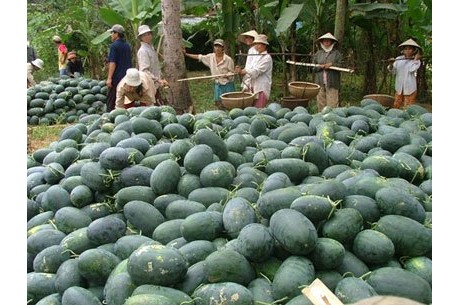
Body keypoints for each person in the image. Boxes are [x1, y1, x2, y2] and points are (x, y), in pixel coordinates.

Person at [184, 39, 235, 108]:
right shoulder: (210, 57)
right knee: (219, 103)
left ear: (223, 48)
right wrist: (186, 54)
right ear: (214, 47)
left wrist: (227, 75)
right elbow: (199, 57)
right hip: (218, 83)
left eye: (219, 46)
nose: (217, 48)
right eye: (216, 46)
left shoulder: (228, 59)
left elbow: (232, 72)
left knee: (230, 103)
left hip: (227, 84)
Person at [235, 34, 272, 108]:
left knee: (259, 111)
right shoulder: (255, 55)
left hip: (261, 87)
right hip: (252, 85)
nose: (257, 46)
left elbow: (256, 71)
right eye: (256, 44)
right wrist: (240, 71)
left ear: (264, 45)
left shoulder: (267, 58)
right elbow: (249, 67)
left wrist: (244, 71)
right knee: (250, 109)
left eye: (259, 44)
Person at [136, 24, 169, 104]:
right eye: (144, 35)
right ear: (141, 38)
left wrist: (160, 78)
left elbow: (155, 66)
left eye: (148, 34)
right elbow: (144, 70)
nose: (147, 37)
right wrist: (157, 79)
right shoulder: (143, 51)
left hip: (155, 84)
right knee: (150, 106)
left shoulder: (151, 48)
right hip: (149, 84)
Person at [387, 38, 423, 109]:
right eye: (406, 49)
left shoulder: (417, 61)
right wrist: (391, 64)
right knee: (396, 106)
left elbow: (411, 70)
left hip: (410, 87)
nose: (407, 51)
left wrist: (415, 59)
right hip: (399, 86)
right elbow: (393, 71)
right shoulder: (398, 59)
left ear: (413, 51)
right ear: (403, 50)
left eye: (410, 49)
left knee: (408, 108)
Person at [312, 32, 343, 112]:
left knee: (332, 103)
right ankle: (321, 118)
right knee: (321, 102)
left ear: (332, 42)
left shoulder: (337, 54)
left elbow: (341, 65)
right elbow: (313, 67)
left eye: (328, 41)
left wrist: (332, 65)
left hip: (332, 81)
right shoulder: (318, 54)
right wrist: (319, 66)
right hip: (320, 81)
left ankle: (332, 118)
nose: (326, 42)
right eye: (324, 41)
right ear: (322, 42)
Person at [106, 24, 132, 112]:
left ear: (116, 34)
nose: (111, 35)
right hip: (126, 77)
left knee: (111, 100)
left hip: (116, 77)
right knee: (124, 100)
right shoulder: (127, 45)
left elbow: (112, 63)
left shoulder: (114, 46)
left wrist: (109, 78)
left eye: (112, 33)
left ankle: (109, 117)